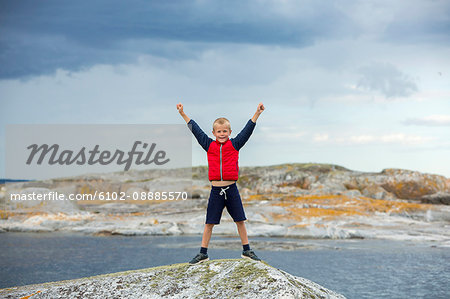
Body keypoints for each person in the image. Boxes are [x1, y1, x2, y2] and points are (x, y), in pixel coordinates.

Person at [176, 102, 265, 264]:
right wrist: (183, 114)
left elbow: (248, 130)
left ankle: (247, 250)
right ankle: (203, 253)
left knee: (240, 221)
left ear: (230, 132)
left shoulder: (235, 144)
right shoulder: (209, 145)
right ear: (214, 133)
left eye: (225, 131)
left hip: (232, 190)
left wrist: (257, 113)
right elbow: (196, 130)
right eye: (219, 131)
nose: (222, 134)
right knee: (209, 223)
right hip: (216, 191)